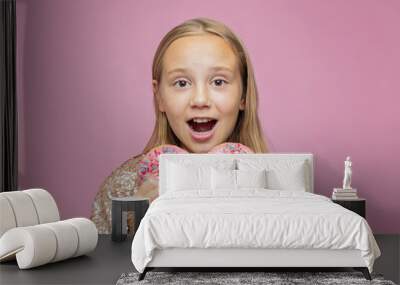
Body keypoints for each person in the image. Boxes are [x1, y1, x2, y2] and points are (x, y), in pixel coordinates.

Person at [91, 17, 268, 233]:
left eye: (218, 82)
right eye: (182, 83)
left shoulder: (275, 184)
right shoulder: (119, 189)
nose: (200, 100)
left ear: (243, 95)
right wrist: (138, 221)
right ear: (160, 96)